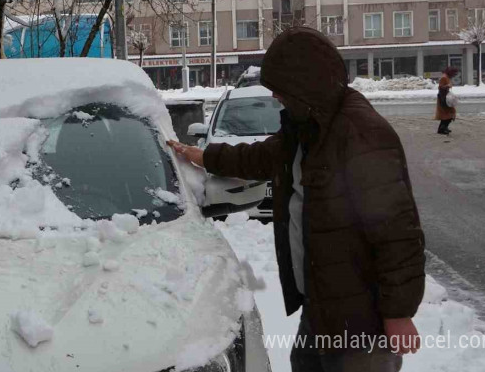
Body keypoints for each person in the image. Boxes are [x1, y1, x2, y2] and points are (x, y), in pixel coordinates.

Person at [167, 27, 425, 372]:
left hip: (363, 324)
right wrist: (203, 157)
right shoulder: (309, 126)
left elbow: (398, 233)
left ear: (306, 83)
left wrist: (398, 313)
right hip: (322, 305)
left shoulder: (361, 136)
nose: (274, 95)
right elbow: (259, 158)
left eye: (280, 87)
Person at [435, 67, 458, 135]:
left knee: (447, 114)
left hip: (445, 97)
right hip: (443, 98)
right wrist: (447, 86)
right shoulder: (444, 77)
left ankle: (444, 128)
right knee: (447, 114)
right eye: (454, 73)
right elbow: (440, 87)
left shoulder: (446, 77)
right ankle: (442, 129)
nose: (454, 75)